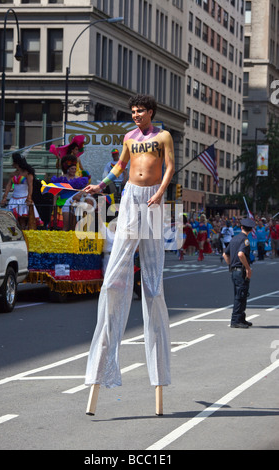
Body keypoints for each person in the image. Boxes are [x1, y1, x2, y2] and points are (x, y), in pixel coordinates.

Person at [80, 94, 175, 408]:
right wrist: (101, 185)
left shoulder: (163, 136)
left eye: (140, 111)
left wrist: (160, 194)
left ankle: (159, 375)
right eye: (132, 111)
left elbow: (170, 168)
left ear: (151, 112)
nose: (135, 115)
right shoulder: (129, 138)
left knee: (153, 285)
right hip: (131, 195)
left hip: (153, 197)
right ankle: (102, 368)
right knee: (111, 282)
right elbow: (120, 166)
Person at [223, 217, 256, 328]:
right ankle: (236, 320)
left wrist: (230, 266)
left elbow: (225, 254)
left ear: (241, 227)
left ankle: (241, 318)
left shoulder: (234, 238)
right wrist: (248, 268)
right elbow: (241, 254)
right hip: (240, 271)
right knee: (240, 295)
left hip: (234, 271)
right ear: (251, 230)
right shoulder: (245, 240)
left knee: (242, 294)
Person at [1, 153, 41, 229]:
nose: (12, 164)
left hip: (24, 198)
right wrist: (5, 197)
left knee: (22, 220)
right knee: (11, 218)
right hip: (14, 199)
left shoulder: (28, 173)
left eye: (14, 162)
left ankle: (22, 234)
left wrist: (29, 197)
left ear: (17, 162)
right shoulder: (13, 174)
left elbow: (30, 185)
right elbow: (9, 185)